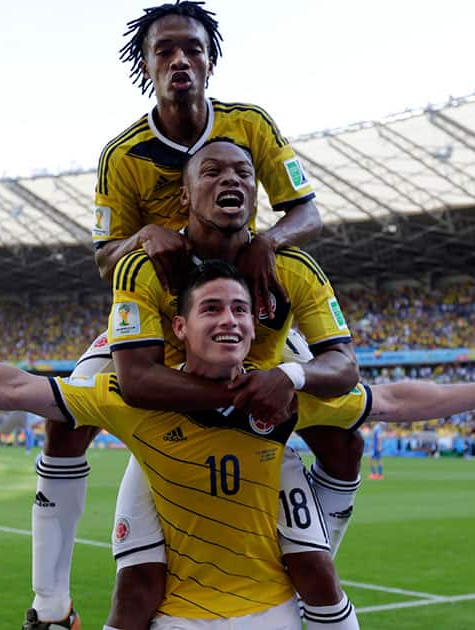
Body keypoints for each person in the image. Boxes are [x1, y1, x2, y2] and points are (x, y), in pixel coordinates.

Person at [0, 261, 475, 628]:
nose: (230, 319)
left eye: (241, 308)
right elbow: (15, 387)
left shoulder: (283, 390)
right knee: (133, 587)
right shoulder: (134, 390)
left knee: (317, 557)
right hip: (182, 617)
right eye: (211, 308)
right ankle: (49, 602)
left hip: (275, 610)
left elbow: (391, 400)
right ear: (177, 327)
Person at [29, 2, 348, 626]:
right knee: (63, 419)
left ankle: (313, 561)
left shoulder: (250, 125)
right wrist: (148, 233)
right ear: (145, 65)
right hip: (161, 318)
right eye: (165, 50)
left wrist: (270, 241)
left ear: (210, 59)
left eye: (193, 49)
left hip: (245, 314)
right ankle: (49, 602)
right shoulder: (122, 156)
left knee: (344, 435)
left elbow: (307, 212)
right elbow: (104, 259)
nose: (180, 60)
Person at [105, 138, 360, 626]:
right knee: (136, 587)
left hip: (264, 398)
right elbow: (136, 381)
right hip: (176, 405)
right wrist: (244, 396)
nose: (232, 180)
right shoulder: (147, 261)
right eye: (213, 172)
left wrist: (287, 376)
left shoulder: (293, 266)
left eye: (244, 173)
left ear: (259, 193)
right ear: (184, 195)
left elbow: (345, 367)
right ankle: (49, 601)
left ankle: (310, 548)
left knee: (345, 450)